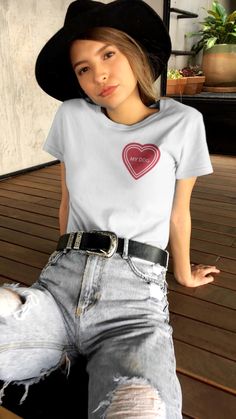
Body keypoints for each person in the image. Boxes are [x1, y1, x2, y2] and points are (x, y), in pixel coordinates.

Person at [0, 1, 220, 418]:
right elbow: (66, 200)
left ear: (134, 52)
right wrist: (59, 264)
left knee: (140, 407)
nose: (97, 73)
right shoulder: (70, 116)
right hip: (58, 287)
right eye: (83, 68)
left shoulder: (184, 122)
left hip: (134, 301)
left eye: (107, 54)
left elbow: (179, 212)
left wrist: (184, 273)